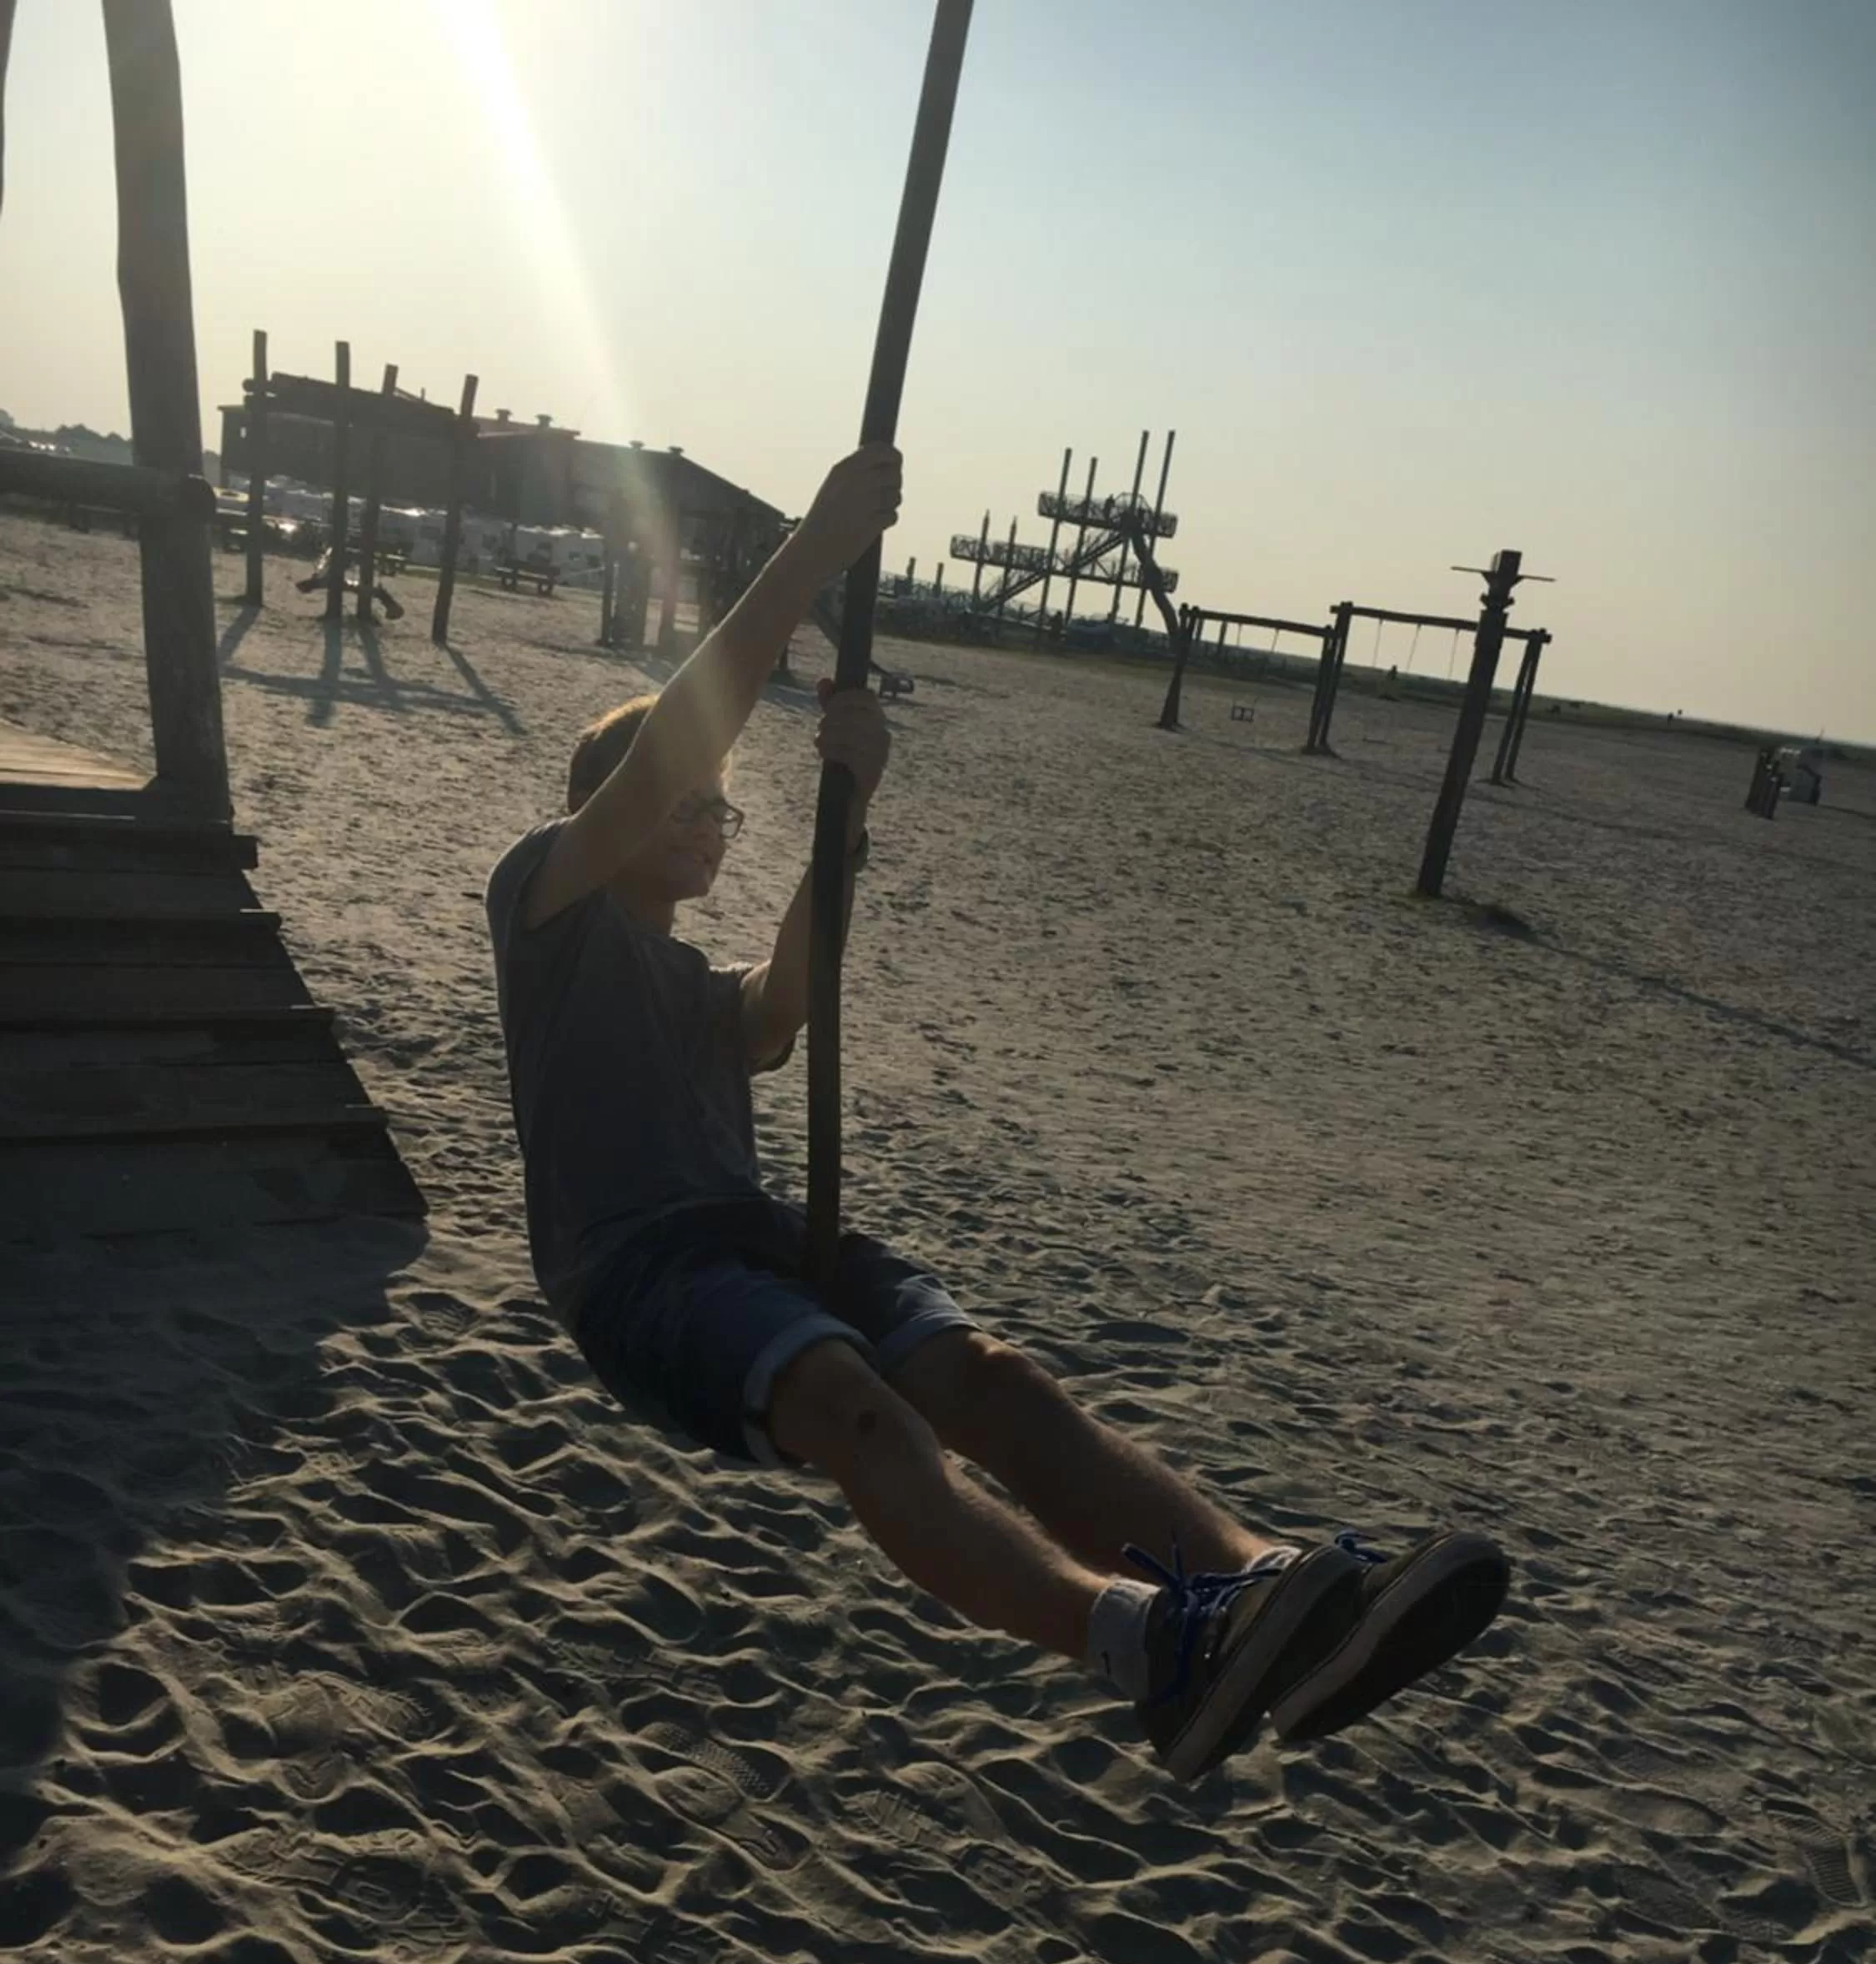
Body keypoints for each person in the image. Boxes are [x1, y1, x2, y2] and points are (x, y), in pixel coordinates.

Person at [486, 445, 1509, 1786]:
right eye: (677, 800)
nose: (705, 817)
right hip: (637, 1269)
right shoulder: (544, 909)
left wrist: (847, 815)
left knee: (993, 1377)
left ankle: (1271, 1595)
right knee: (855, 1408)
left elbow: (787, 996)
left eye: (721, 810)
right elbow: (675, 737)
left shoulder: (696, 992)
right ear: (599, 812)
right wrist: (815, 550)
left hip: (756, 1238)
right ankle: (1148, 1646)